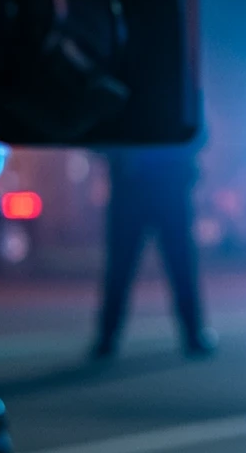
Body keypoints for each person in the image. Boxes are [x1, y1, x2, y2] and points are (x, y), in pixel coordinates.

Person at [90, 141, 216, 359]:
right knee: (172, 263)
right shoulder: (172, 106)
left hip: (147, 185)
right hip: (151, 184)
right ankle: (192, 333)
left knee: (172, 263)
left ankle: (107, 338)